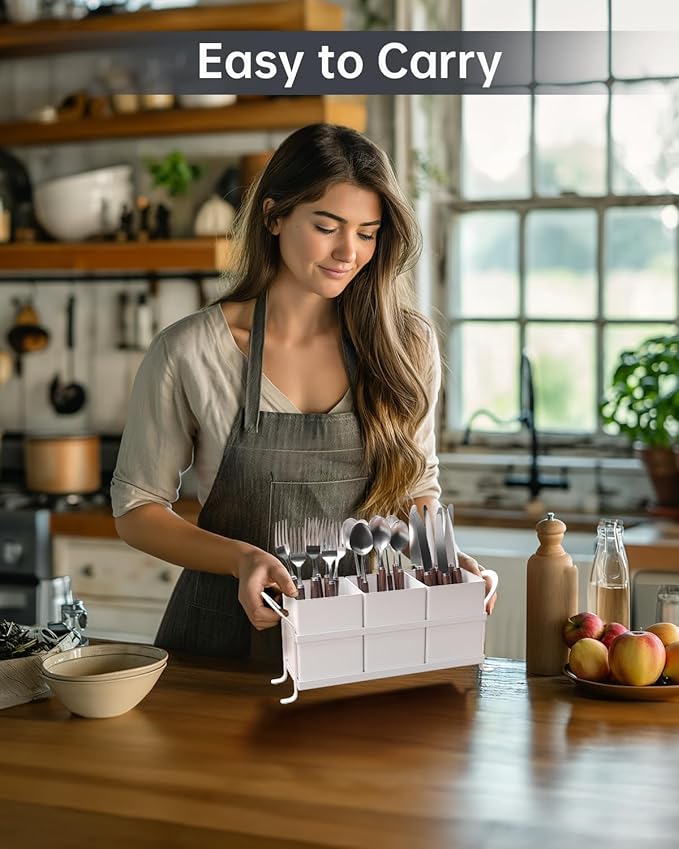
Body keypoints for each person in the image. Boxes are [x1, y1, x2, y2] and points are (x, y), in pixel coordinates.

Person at [112, 122, 495, 661]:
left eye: (367, 232)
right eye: (327, 225)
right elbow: (136, 509)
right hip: (223, 645)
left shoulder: (405, 343)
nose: (349, 252)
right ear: (273, 216)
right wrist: (241, 558)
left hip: (359, 638)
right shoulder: (192, 351)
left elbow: (415, 487)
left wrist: (444, 559)